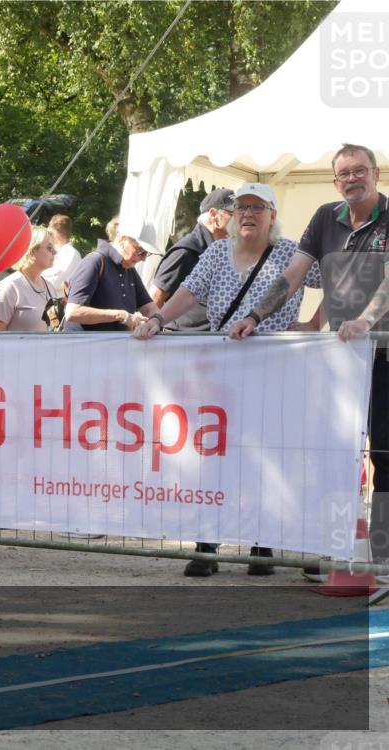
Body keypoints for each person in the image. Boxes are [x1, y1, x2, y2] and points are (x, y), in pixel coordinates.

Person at [135, 183, 322, 576]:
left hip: (275, 370)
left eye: (257, 208)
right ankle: (207, 544)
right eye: (241, 208)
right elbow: (187, 295)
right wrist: (157, 319)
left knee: (268, 456)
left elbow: (337, 280)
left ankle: (262, 545)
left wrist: (312, 324)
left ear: (272, 214)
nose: (248, 215)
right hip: (222, 373)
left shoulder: (291, 253)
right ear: (232, 216)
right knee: (214, 455)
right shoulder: (217, 252)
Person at [230, 144, 388, 563]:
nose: (353, 178)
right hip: (337, 361)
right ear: (335, 182)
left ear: (375, 174)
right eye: (345, 173)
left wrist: (365, 321)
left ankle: (383, 562)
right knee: (327, 454)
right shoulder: (323, 217)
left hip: (383, 355)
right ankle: (326, 554)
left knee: (385, 457)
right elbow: (293, 274)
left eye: (360, 170)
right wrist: (255, 314)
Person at [151, 188, 235, 331]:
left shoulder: (226, 249)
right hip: (182, 342)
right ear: (214, 215)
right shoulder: (186, 251)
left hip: (209, 341)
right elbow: (154, 300)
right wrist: (153, 332)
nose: (240, 218)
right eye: (232, 214)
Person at [63, 220, 160, 331]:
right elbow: (72, 312)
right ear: (123, 240)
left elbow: (150, 309)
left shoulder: (130, 270)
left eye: (147, 253)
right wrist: (120, 315)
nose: (144, 258)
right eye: (141, 250)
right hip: (84, 346)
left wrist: (155, 321)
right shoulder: (94, 261)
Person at [0, 226, 58, 332]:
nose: (55, 252)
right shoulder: (10, 287)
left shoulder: (50, 287)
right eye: (49, 248)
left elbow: (54, 326)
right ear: (32, 250)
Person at [41, 214, 82, 302]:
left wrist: (34, 281)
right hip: (41, 297)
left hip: (54, 304)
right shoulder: (52, 250)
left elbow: (56, 282)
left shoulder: (72, 254)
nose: (49, 235)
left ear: (59, 233)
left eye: (51, 233)